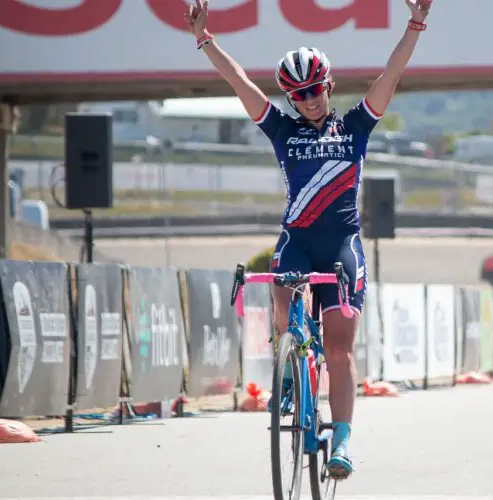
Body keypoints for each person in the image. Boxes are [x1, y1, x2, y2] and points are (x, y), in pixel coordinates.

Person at [185, 0, 433, 480]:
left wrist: (415, 25)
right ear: (290, 99)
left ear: (328, 85)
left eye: (315, 89)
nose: (310, 98)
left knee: (339, 349)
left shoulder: (355, 127)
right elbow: (240, 82)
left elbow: (392, 73)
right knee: (282, 292)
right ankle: (292, 365)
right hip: (296, 241)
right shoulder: (281, 130)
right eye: (299, 94)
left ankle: (341, 439)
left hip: (342, 246)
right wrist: (205, 39)